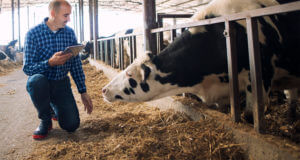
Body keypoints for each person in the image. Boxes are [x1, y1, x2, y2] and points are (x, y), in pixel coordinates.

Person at [23, 0, 93, 140]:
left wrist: (83, 91)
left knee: (72, 125)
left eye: (69, 15)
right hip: (43, 82)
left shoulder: (69, 33)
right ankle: (45, 119)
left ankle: (55, 107)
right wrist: (49, 63)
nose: (69, 19)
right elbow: (28, 68)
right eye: (65, 15)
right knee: (36, 81)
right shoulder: (33, 34)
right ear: (53, 13)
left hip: (61, 83)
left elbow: (75, 64)